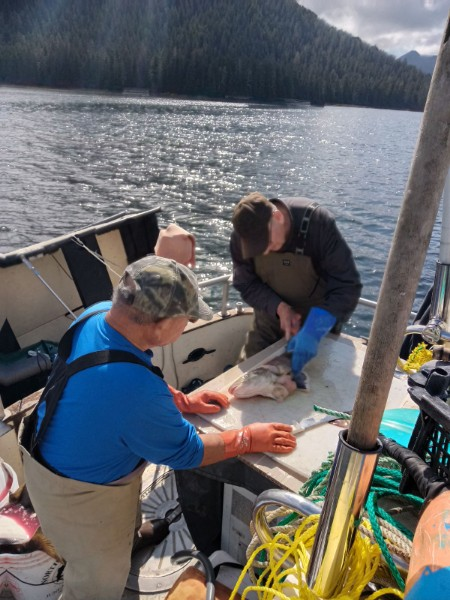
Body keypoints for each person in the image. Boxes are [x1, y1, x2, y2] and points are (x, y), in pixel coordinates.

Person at [19, 255, 296, 600]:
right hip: (80, 502)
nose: (190, 323)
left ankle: (129, 539)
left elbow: (117, 368)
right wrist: (247, 437)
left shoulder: (98, 315)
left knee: (123, 517)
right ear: (162, 325)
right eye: (188, 318)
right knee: (96, 581)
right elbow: (187, 452)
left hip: (45, 461)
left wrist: (181, 401)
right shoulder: (133, 389)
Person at [230, 192, 362, 383]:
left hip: (317, 320)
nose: (265, 251)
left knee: (314, 384)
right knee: (245, 380)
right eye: (257, 247)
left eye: (266, 242)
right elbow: (246, 282)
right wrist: (280, 308)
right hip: (269, 315)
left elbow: (346, 285)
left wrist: (314, 330)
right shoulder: (243, 235)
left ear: (277, 217)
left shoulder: (317, 223)